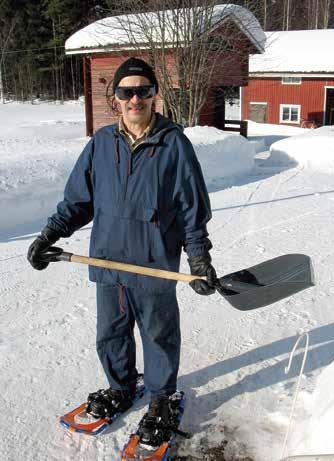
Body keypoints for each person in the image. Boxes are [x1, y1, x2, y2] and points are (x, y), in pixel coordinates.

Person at [27, 57, 216, 446]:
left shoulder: (173, 144)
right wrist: (49, 234)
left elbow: (191, 210)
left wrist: (198, 258)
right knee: (110, 335)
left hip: (153, 266)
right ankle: (122, 387)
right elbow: (77, 201)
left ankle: (162, 397)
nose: (135, 99)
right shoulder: (101, 143)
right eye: (127, 91)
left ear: (153, 95)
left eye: (143, 91)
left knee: (159, 336)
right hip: (108, 263)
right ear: (116, 97)